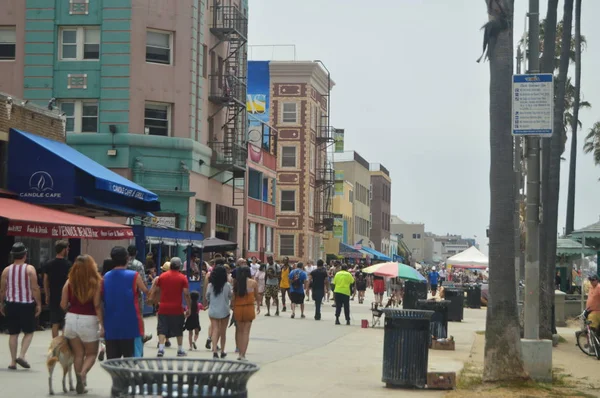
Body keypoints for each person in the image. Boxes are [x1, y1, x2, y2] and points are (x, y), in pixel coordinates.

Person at [60, 255, 103, 393]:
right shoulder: (96, 282)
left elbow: (62, 304)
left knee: (78, 354)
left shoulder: (69, 282)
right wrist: (102, 324)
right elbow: (97, 305)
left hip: (71, 319)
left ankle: (80, 380)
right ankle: (83, 374)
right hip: (89, 320)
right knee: (91, 354)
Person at [102, 246, 149, 360]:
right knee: (131, 362)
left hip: (111, 326)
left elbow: (101, 301)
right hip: (131, 326)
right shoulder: (134, 276)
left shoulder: (105, 277)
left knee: (113, 363)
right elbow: (147, 292)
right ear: (127, 258)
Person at [0, 243, 41, 370]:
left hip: (11, 304)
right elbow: (34, 288)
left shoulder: (6, 270)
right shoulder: (30, 269)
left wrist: (1, 303)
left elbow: (2, 290)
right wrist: (39, 303)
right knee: (29, 331)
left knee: (13, 333)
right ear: (25, 255)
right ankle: (22, 355)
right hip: (26, 304)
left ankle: (13, 362)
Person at [153, 257, 191, 357]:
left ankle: (161, 349)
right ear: (179, 266)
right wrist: (189, 307)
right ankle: (179, 350)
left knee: (162, 328)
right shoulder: (183, 278)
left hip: (163, 307)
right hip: (177, 308)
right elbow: (186, 294)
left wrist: (156, 302)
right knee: (179, 328)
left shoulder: (162, 276)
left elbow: (157, 290)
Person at [42, 240, 71, 338]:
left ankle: (55, 346)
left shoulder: (48, 264)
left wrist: (47, 294)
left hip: (53, 295)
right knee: (65, 321)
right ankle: (63, 346)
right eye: (67, 249)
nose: (68, 250)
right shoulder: (68, 264)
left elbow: (45, 280)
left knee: (54, 323)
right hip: (65, 296)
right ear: (63, 250)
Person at [232, 266, 260, 361]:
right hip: (249, 307)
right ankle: (243, 355)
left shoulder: (236, 283)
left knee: (239, 331)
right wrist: (259, 306)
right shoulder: (253, 283)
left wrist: (232, 306)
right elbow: (257, 296)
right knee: (246, 332)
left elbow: (233, 298)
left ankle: (239, 353)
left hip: (238, 308)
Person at [127, 245, 152, 346]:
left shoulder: (123, 263)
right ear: (136, 253)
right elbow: (143, 280)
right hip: (136, 293)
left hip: (124, 293)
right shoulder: (138, 264)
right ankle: (141, 335)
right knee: (139, 314)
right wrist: (148, 293)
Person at [206, 265, 232, 359]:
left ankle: (214, 351)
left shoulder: (210, 285)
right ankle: (222, 351)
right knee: (223, 331)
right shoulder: (227, 285)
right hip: (224, 310)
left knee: (215, 329)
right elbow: (230, 296)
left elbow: (207, 297)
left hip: (213, 310)